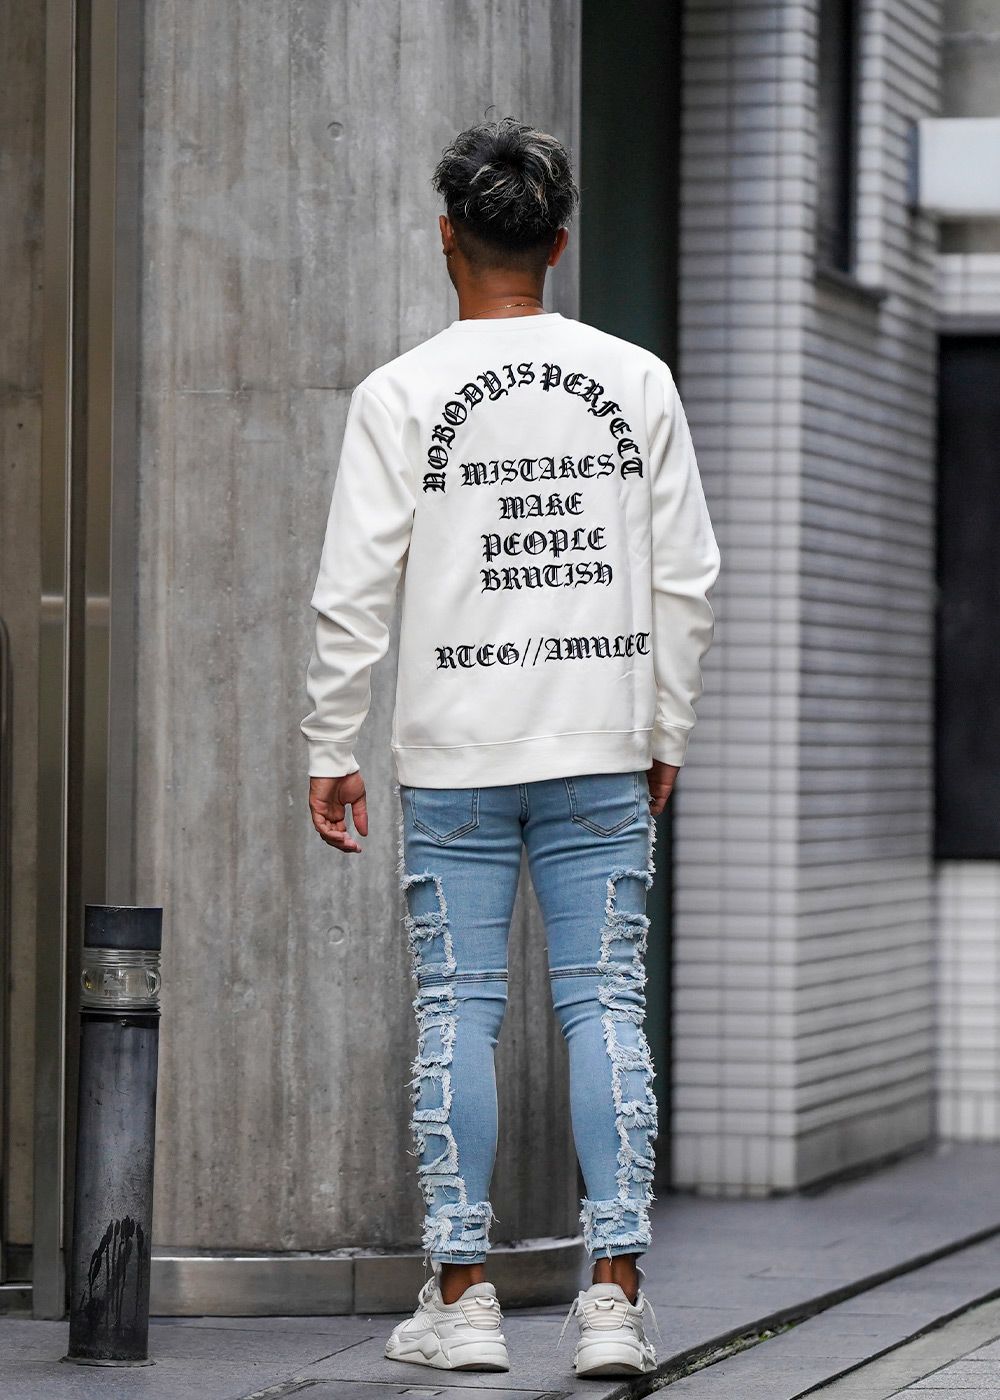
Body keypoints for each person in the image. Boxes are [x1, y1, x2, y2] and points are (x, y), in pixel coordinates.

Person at [301, 115, 720, 1379]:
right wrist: (664, 723)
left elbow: (352, 587)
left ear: (447, 238)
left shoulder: (399, 393)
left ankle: (464, 1293)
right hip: (599, 737)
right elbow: (686, 576)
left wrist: (331, 738)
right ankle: (614, 1298)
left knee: (457, 1009)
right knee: (603, 1003)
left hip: (454, 750)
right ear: (558, 243)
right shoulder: (633, 379)